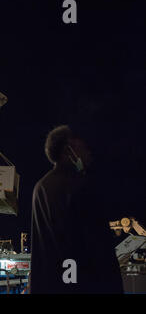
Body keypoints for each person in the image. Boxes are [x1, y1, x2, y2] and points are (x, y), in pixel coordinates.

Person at [30, 125, 123, 293]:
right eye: (83, 147)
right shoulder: (81, 186)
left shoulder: (40, 187)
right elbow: (98, 245)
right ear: (69, 150)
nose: (88, 153)